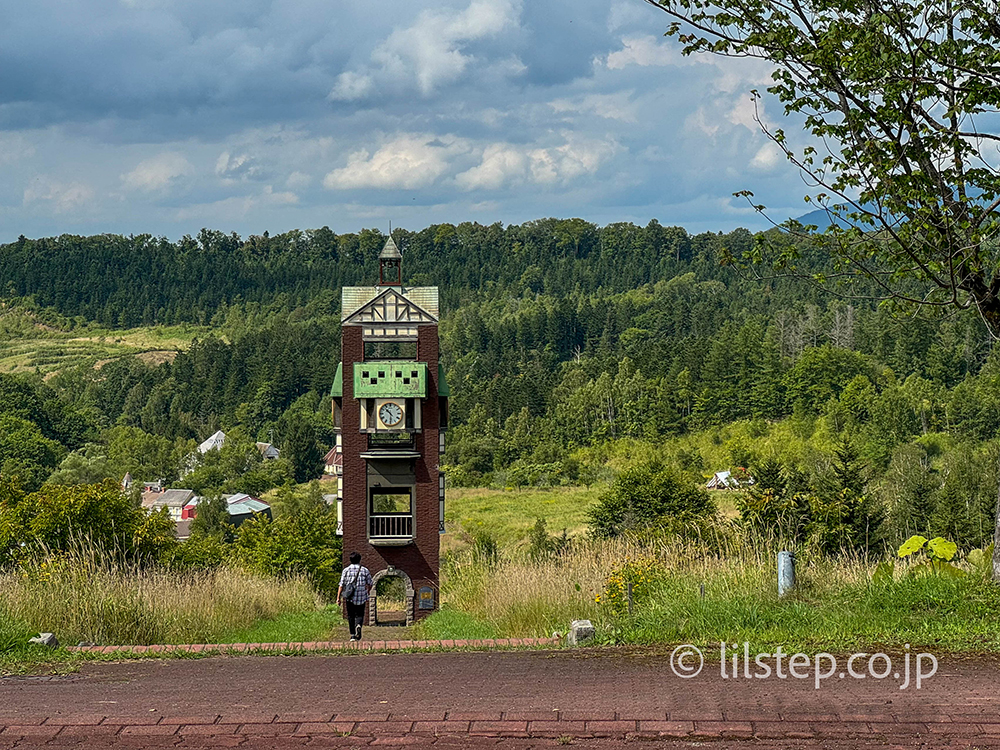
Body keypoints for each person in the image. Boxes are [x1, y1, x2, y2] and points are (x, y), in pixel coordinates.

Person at [337, 551, 373, 642]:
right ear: (359, 560)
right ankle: (359, 625)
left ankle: (352, 635)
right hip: (361, 596)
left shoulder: (346, 570)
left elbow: (341, 584)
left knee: (351, 616)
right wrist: (367, 591)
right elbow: (370, 583)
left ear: (350, 560)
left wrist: (338, 598)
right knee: (360, 614)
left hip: (350, 597)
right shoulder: (365, 570)